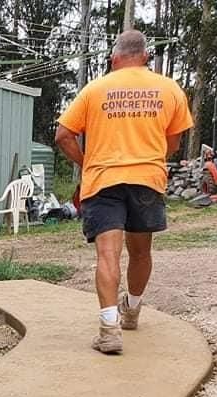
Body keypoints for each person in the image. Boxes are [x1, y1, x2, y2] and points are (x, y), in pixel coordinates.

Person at [55, 30, 193, 354]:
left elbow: (63, 135)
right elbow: (174, 141)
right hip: (146, 178)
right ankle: (131, 309)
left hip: (103, 181)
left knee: (107, 254)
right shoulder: (169, 89)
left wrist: (88, 163)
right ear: (145, 57)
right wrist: (152, 160)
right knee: (141, 252)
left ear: (114, 59)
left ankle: (109, 330)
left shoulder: (95, 89)